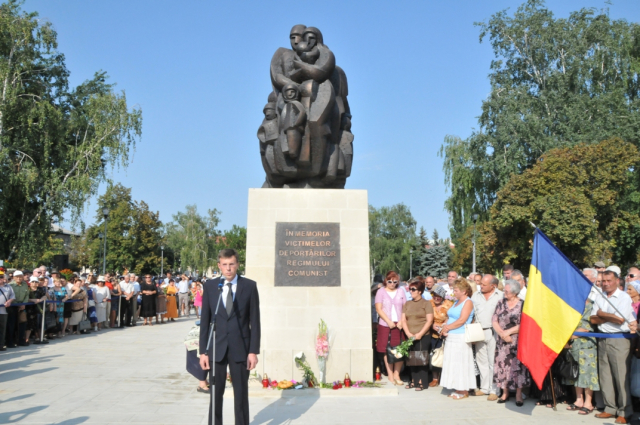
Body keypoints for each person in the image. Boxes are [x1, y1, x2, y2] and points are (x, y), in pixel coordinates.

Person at [199, 249, 261, 425]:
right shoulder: (211, 287)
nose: (228, 268)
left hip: (240, 347)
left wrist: (253, 351)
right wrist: (204, 352)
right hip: (216, 348)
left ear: (237, 265)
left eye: (231, 264)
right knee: (215, 395)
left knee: (240, 394)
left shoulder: (249, 286)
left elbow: (255, 322)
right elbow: (205, 322)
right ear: (219, 265)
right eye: (224, 265)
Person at [591, 270, 637, 422]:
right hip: (603, 339)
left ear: (617, 281)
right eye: (603, 281)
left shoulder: (623, 297)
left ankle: (625, 411)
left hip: (620, 339)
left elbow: (620, 320)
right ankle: (610, 408)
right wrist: (606, 316)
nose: (606, 284)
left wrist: (602, 314)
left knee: (621, 375)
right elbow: (593, 319)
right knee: (606, 375)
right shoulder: (599, 296)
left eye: (609, 281)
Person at [492, 279, 528, 406]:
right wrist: (502, 333)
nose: (504, 292)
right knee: (503, 367)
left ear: (514, 292)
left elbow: (524, 323)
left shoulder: (523, 304)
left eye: (506, 291)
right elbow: (494, 320)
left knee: (517, 368)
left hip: (517, 342)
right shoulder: (500, 302)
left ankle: (518, 394)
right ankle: (505, 393)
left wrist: (509, 332)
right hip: (502, 342)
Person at [440, 277, 475, 399]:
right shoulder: (456, 302)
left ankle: (464, 389)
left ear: (464, 291)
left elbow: (462, 320)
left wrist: (447, 327)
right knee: (453, 363)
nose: (454, 292)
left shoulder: (468, 302)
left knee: (461, 363)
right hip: (451, 336)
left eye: (456, 290)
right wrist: (445, 327)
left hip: (460, 336)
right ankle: (457, 387)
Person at [564, 296, 599, 415]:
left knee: (588, 373)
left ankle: (588, 403)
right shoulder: (572, 305)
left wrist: (569, 336)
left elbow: (587, 328)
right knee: (576, 372)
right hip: (574, 345)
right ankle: (579, 400)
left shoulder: (592, 305)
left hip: (587, 345)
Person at [471, 274, 503, 400]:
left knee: (493, 361)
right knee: (481, 361)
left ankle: (495, 390)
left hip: (493, 331)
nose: (481, 286)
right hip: (479, 331)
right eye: (481, 284)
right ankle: (484, 388)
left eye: (484, 285)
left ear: (493, 286)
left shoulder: (500, 295)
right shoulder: (476, 295)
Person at [375, 271, 407, 385]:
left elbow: (405, 307)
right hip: (385, 324)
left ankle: (397, 374)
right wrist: (388, 321)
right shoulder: (381, 291)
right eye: (390, 281)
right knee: (386, 350)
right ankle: (390, 375)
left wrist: (401, 321)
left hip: (399, 324)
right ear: (385, 281)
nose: (392, 284)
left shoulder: (401, 291)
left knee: (400, 349)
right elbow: (379, 308)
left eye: (395, 281)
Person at [401, 278, 434, 391]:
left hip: (423, 335)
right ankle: (413, 380)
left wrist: (420, 333)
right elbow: (404, 320)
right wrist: (408, 333)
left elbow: (429, 321)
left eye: (413, 289)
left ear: (420, 291)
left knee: (421, 359)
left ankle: (422, 382)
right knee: (411, 359)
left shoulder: (426, 303)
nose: (410, 291)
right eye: (409, 289)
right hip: (410, 335)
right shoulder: (407, 303)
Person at [428, 284, 453, 387]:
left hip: (446, 332)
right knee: (435, 356)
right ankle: (434, 378)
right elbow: (425, 317)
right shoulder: (429, 304)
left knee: (446, 356)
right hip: (432, 332)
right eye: (435, 296)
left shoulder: (449, 304)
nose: (437, 298)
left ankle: (445, 378)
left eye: (439, 296)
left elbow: (451, 316)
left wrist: (444, 326)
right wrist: (431, 324)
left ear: (443, 297)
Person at [7, 270, 29, 347]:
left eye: (20, 276)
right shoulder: (10, 285)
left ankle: (21, 340)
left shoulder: (25, 284)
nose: (19, 278)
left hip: (22, 306)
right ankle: (10, 342)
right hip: (13, 307)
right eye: (17, 277)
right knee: (12, 325)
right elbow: (10, 296)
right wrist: (17, 305)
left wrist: (24, 304)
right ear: (14, 277)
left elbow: (27, 295)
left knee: (22, 324)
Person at [25, 276, 47, 344]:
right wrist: (33, 300)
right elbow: (25, 298)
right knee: (28, 324)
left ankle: (39, 337)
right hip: (29, 309)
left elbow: (45, 296)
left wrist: (40, 300)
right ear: (30, 283)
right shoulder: (28, 290)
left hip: (38, 309)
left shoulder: (40, 290)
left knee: (37, 324)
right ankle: (27, 338)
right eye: (33, 282)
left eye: (36, 282)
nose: (34, 283)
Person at [0, 272, 16, 351]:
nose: (0, 279)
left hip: (4, 311)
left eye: (1, 277)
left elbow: (12, 296)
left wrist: (9, 301)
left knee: (3, 328)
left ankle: (1, 345)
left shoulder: (8, 286)